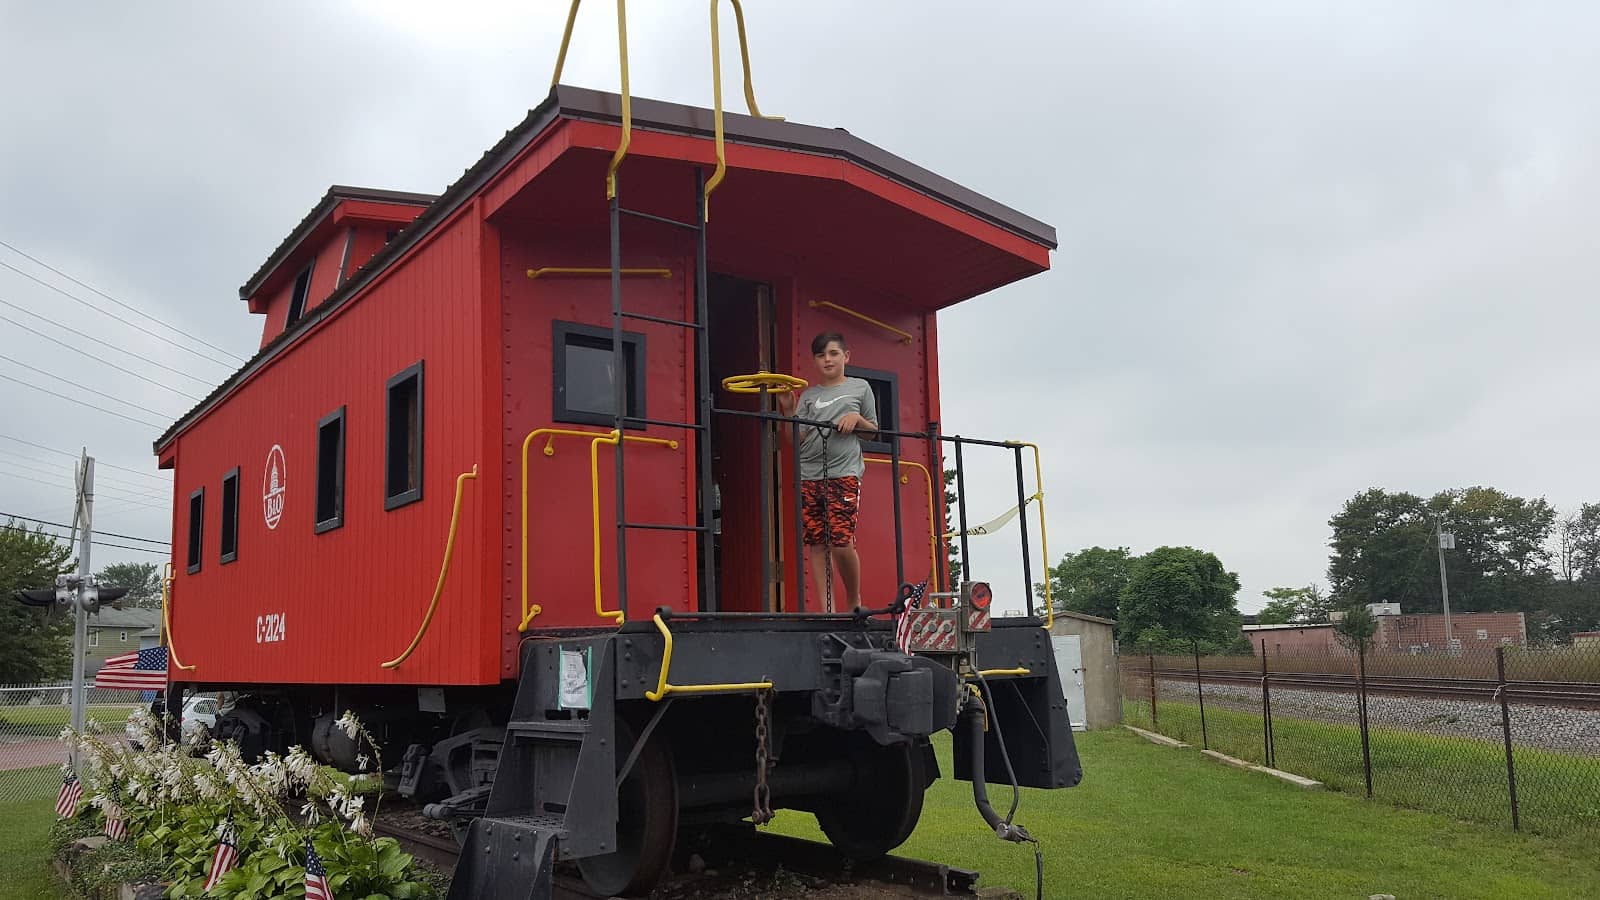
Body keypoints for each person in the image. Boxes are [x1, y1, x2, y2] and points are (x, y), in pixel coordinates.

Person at [777, 331, 877, 612]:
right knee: (818, 544)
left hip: (844, 472)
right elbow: (794, 439)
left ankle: (854, 599)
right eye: (821, 355)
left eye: (833, 353)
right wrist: (788, 411)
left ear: (846, 356)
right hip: (809, 474)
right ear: (815, 360)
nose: (828, 360)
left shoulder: (860, 387)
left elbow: (872, 432)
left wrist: (856, 418)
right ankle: (828, 610)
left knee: (841, 541)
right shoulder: (809, 396)